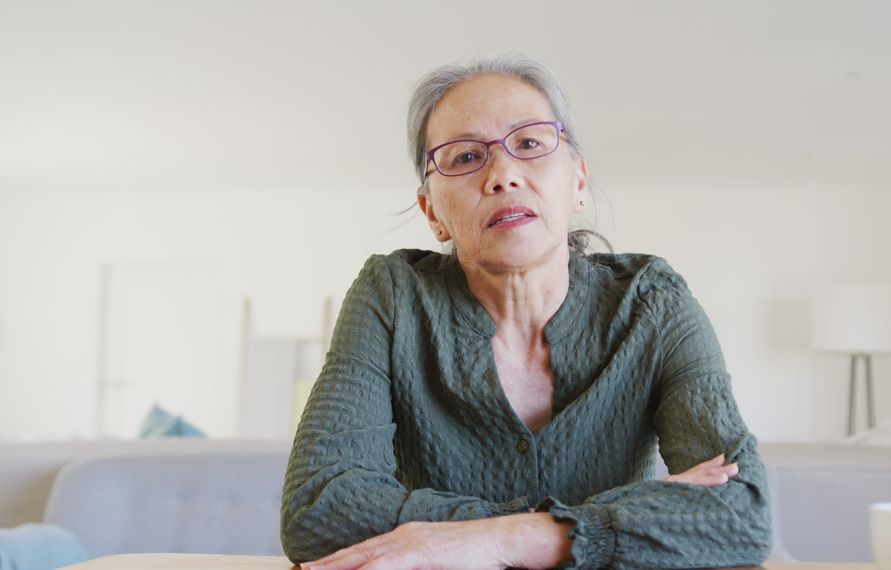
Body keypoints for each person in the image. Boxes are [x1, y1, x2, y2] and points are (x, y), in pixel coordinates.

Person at [280, 54, 772, 570]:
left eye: (531, 144)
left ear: (578, 181)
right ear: (433, 214)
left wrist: (498, 541)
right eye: (466, 157)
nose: (503, 175)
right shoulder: (392, 295)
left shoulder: (653, 301)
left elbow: (743, 515)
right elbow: (317, 510)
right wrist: (609, 522)